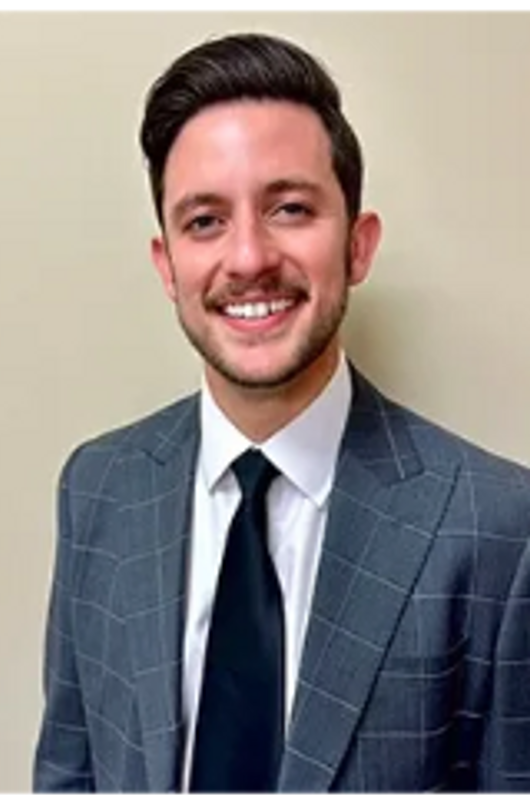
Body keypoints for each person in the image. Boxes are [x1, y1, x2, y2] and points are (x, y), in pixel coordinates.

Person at [33, 32, 529, 798]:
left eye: (289, 208)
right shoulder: (98, 489)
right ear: (166, 265)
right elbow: (70, 774)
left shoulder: (496, 526)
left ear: (357, 246)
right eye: (205, 221)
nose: (248, 258)